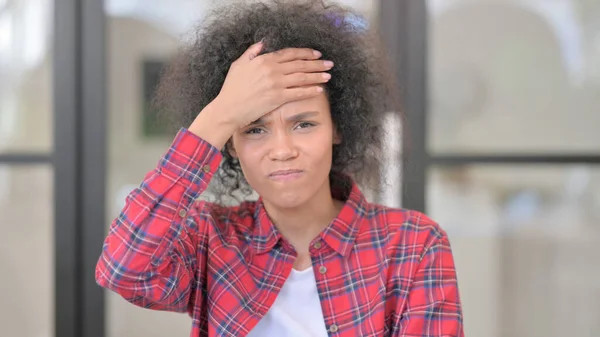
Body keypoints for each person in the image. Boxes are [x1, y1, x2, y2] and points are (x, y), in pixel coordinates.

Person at [95, 1, 464, 336]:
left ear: (338, 127)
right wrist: (221, 113)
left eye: (304, 124)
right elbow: (124, 269)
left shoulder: (413, 246)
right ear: (231, 145)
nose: (282, 150)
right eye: (255, 129)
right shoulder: (209, 239)